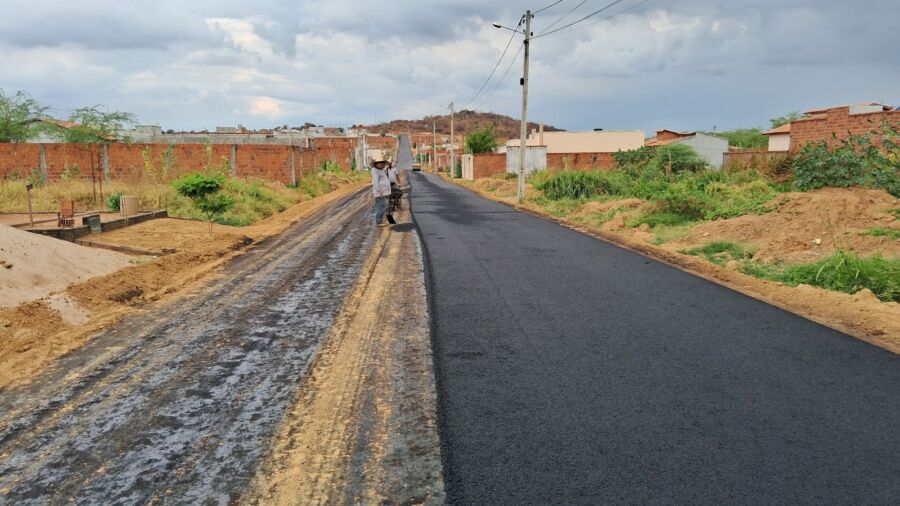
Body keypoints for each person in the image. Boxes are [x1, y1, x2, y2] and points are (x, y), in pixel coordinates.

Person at [370, 159, 392, 227]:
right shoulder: (375, 171)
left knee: (382, 206)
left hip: (383, 192)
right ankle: (378, 222)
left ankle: (379, 221)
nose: (383, 165)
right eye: (382, 163)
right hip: (380, 193)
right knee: (381, 207)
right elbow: (375, 183)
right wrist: (380, 192)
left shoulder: (380, 170)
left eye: (383, 163)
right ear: (377, 164)